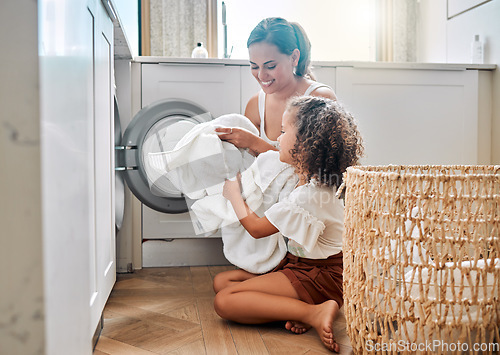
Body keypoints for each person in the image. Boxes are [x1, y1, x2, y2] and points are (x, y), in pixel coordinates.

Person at [213, 96, 364, 352]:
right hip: (304, 266)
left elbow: (257, 229)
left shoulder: (310, 195)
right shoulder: (310, 178)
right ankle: (300, 309)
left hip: (320, 277)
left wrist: (234, 195)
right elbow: (274, 153)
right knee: (223, 282)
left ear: (305, 146)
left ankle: (313, 312)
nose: (278, 140)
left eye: (283, 132)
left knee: (224, 301)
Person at [216, 17, 336, 156]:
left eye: (270, 66)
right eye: (254, 66)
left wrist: (254, 142)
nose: (261, 75)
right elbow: (251, 166)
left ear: (294, 57)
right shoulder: (255, 106)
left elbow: (318, 166)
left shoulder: (320, 98)